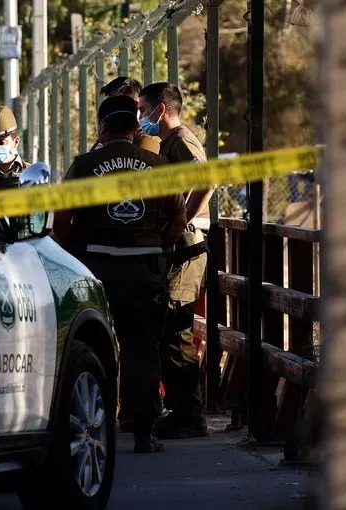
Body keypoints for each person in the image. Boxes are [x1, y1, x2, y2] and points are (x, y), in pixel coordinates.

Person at [53, 95, 187, 454]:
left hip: (98, 273)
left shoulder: (84, 166)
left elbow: (61, 220)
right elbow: (178, 220)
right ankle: (144, 431)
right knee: (143, 349)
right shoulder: (158, 165)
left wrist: (74, 256)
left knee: (95, 347)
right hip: (146, 273)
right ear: (134, 127)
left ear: (102, 128)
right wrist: (160, 244)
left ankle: (97, 426)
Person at [138, 82, 214, 439]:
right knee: (168, 326)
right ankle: (181, 410)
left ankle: (190, 415)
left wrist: (183, 218)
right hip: (175, 248)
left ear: (160, 110)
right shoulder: (164, 143)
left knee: (177, 327)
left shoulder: (181, 140)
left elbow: (207, 180)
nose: (141, 117)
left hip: (187, 248)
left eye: (144, 110)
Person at [91, 76, 161, 154]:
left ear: (138, 106)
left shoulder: (148, 142)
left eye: (127, 105)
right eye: (111, 105)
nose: (117, 111)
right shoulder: (105, 137)